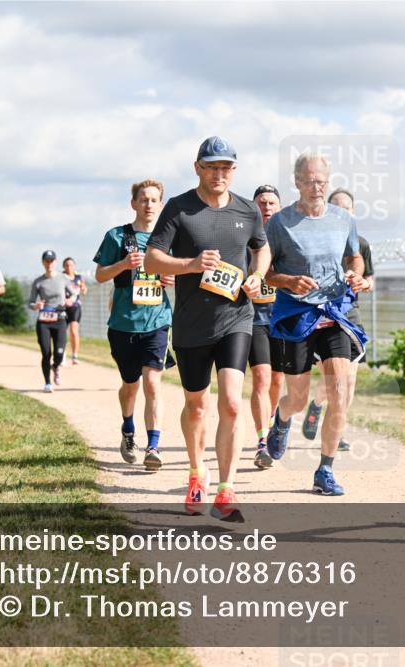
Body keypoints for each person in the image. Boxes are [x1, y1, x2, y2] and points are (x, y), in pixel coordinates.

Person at [144, 137, 270, 522]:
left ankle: (226, 489)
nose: (220, 174)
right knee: (197, 406)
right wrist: (192, 264)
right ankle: (197, 472)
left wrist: (258, 275)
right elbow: (151, 260)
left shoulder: (249, 209)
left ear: (234, 170)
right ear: (198, 167)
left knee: (232, 401)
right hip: (191, 323)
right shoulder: (179, 209)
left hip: (236, 317)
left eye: (227, 167)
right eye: (212, 167)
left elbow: (260, 248)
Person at [263, 152, 366, 497]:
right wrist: (290, 281)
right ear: (296, 182)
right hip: (296, 315)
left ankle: (325, 469)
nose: (316, 187)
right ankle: (282, 418)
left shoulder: (343, 219)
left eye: (321, 181)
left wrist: (357, 275)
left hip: (334, 312)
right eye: (309, 181)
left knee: (339, 395)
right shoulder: (278, 224)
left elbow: (355, 256)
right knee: (298, 396)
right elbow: (266, 272)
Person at [93, 180, 176, 472]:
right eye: (144, 200)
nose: (149, 205)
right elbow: (100, 275)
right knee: (131, 385)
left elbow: (185, 273)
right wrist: (124, 265)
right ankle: (128, 429)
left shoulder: (168, 240)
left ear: (161, 205)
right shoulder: (117, 236)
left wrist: (173, 279)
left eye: (154, 200)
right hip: (123, 324)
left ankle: (153, 446)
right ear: (134, 204)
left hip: (157, 322)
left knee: (153, 383)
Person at [301, 188, 376, 451]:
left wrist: (365, 284)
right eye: (336, 209)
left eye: (346, 209)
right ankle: (318, 404)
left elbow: (370, 280)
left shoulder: (362, 244)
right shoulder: (313, 242)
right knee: (333, 380)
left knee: (350, 380)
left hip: (350, 316)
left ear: (353, 213)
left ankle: (337, 428)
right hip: (322, 315)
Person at [248, 184, 285, 469]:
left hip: (282, 316)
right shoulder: (243, 238)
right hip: (252, 316)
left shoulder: (288, 239)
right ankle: (262, 441)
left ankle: (272, 425)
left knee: (276, 380)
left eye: (272, 203)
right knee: (261, 377)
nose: (267, 207)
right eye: (262, 203)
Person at [30, 250, 72, 392]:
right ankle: (48, 382)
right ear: (43, 263)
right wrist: (36, 305)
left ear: (55, 262)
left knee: (59, 352)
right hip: (43, 321)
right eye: (46, 261)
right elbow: (30, 303)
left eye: (51, 261)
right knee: (46, 353)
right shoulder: (38, 282)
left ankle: (56, 366)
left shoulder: (63, 279)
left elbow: (74, 294)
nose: (49, 264)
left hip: (60, 319)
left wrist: (70, 300)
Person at [62, 257, 88, 365]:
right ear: (63, 266)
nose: (69, 267)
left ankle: (75, 355)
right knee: (62, 332)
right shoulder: (61, 277)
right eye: (67, 265)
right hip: (62, 307)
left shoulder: (78, 277)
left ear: (74, 266)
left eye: (71, 265)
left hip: (75, 307)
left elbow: (84, 289)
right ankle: (61, 354)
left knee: (73, 331)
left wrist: (83, 289)